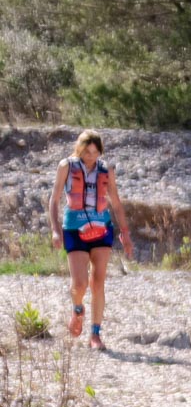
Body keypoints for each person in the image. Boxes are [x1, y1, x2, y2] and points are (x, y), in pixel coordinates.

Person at [48, 130, 132, 352]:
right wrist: (55, 230)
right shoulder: (66, 166)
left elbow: (116, 202)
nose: (91, 157)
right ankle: (77, 309)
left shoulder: (106, 170)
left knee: (98, 281)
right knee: (79, 284)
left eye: (95, 153)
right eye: (87, 152)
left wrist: (125, 233)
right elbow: (54, 200)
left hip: (102, 228)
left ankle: (95, 334)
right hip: (74, 229)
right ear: (79, 149)